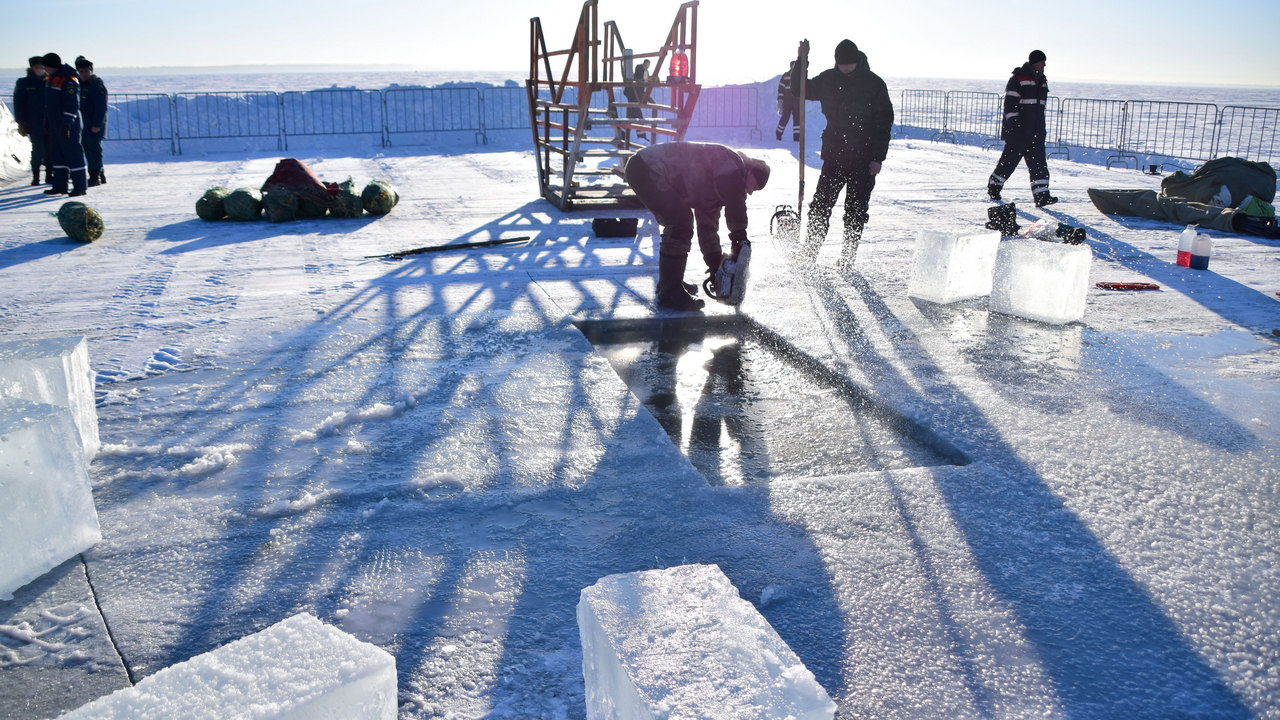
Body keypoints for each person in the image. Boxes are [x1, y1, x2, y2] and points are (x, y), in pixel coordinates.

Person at [624, 142, 770, 311]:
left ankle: (670, 282)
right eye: (755, 186)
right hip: (646, 167)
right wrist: (739, 235)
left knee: (681, 220)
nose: (751, 192)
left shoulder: (716, 191)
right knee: (680, 222)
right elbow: (734, 197)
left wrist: (716, 265)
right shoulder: (731, 163)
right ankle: (670, 290)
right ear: (750, 171)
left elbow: (707, 230)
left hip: (649, 169)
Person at [792, 39, 894, 269]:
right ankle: (810, 252)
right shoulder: (829, 79)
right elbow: (800, 89)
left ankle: (848, 256)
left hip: (864, 158)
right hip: (835, 154)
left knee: (855, 211)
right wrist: (802, 61)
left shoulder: (874, 84)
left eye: (849, 64)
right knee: (820, 206)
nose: (846, 69)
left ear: (857, 61)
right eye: (842, 65)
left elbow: (883, 122)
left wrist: (878, 157)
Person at [987, 50, 1058, 207]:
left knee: (1039, 165)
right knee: (1008, 163)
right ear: (1035, 62)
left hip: (1036, 133)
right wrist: (1016, 125)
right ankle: (994, 186)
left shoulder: (1043, 80)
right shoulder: (1018, 78)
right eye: (1042, 61)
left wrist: (1040, 130)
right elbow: (1009, 105)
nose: (1044, 64)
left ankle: (1042, 197)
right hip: (1018, 134)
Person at [41, 53, 89, 197]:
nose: (44, 70)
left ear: (52, 65)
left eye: (46, 66)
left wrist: (67, 123)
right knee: (57, 155)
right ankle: (60, 185)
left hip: (68, 124)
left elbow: (72, 104)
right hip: (55, 124)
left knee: (73, 154)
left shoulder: (69, 80)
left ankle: (80, 186)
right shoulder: (52, 79)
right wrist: (47, 121)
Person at [12, 56, 51, 186]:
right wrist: (21, 122)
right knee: (38, 150)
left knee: (50, 149)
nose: (40, 70)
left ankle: (49, 175)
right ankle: (36, 177)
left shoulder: (51, 81)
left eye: (42, 67)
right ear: (32, 68)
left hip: (50, 122)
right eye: (37, 68)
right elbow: (18, 104)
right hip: (34, 123)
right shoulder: (24, 83)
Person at [76, 56, 108, 186]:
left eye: (86, 72)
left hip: (94, 125)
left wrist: (97, 124)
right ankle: (99, 173)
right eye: (81, 72)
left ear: (91, 71)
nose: (84, 74)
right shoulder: (78, 85)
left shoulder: (97, 86)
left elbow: (101, 107)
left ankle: (95, 176)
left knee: (94, 150)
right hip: (83, 125)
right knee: (88, 150)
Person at [623, 58, 651, 142]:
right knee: (638, 116)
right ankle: (640, 136)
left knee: (632, 116)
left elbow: (644, 81)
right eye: (647, 64)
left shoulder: (642, 70)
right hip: (633, 95)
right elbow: (641, 80)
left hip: (634, 94)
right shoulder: (640, 68)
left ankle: (623, 133)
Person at [775, 60, 799, 142]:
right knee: (785, 118)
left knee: (797, 119)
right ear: (791, 66)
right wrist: (780, 101)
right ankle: (778, 133)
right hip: (787, 102)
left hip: (796, 102)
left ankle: (797, 137)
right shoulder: (785, 76)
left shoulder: (799, 76)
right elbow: (781, 89)